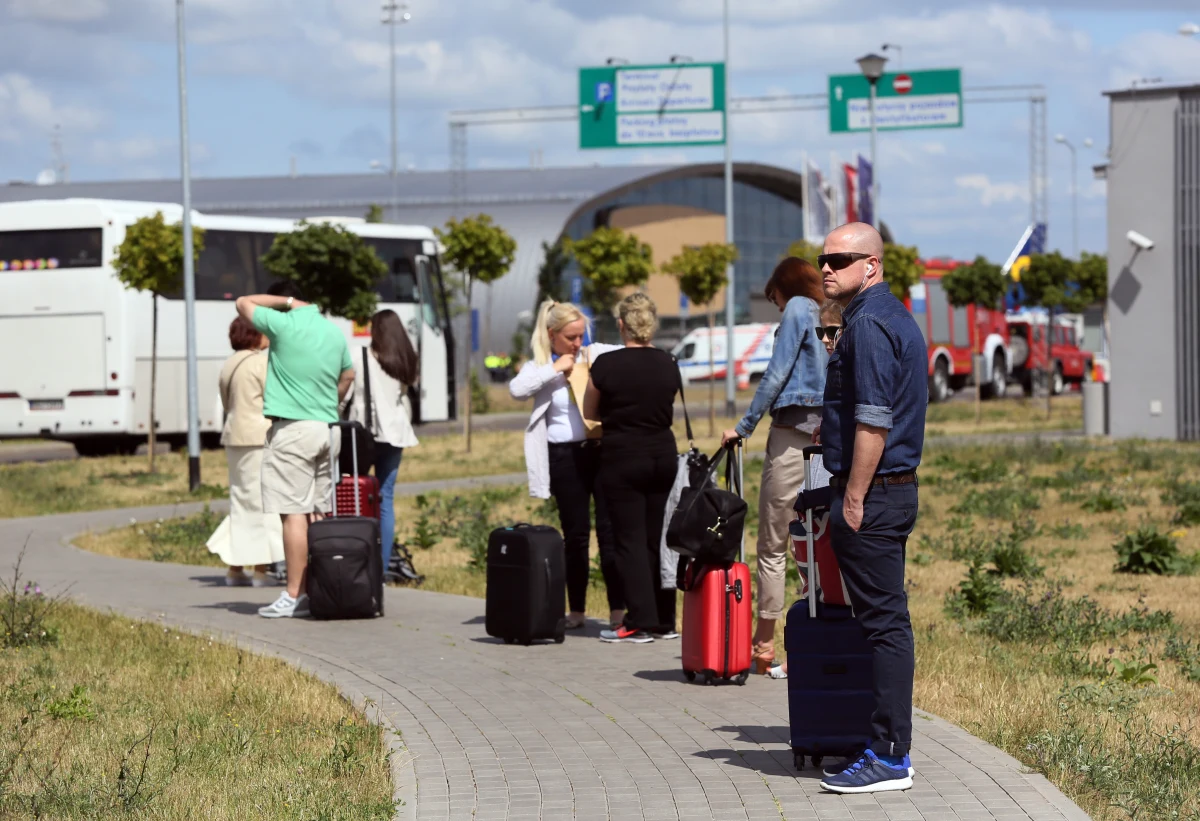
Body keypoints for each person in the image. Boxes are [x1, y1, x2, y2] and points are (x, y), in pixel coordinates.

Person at [816, 223, 927, 795]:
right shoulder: (884, 316)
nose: (827, 268)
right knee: (886, 622)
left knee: (885, 625)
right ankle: (886, 746)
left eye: (840, 259)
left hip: (875, 493)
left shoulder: (869, 324)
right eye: (823, 258)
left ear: (871, 266)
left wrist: (854, 496)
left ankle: (889, 756)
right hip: (888, 490)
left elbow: (874, 419)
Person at [720, 258, 827, 677]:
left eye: (775, 298)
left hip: (791, 439)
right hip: (826, 440)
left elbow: (777, 373)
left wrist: (743, 427)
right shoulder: (831, 314)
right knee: (818, 544)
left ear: (785, 287)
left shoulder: (798, 308)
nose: (778, 306)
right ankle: (813, 637)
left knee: (773, 544)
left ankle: (763, 645)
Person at [235, 281, 355, 619]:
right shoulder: (332, 332)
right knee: (318, 511)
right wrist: (330, 402)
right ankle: (321, 587)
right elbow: (348, 375)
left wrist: (286, 302)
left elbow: (243, 302)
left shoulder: (283, 324)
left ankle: (294, 594)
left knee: (293, 514)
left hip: (293, 432)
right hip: (328, 429)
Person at [509, 300, 624, 629]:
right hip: (564, 458)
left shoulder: (594, 353)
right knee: (575, 536)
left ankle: (618, 610)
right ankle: (576, 611)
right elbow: (517, 389)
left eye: (581, 335)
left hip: (600, 452)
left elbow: (634, 354)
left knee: (609, 533)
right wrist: (555, 369)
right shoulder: (541, 366)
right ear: (552, 335)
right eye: (571, 337)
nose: (577, 343)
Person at [585, 293, 679, 644]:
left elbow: (590, 412)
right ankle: (664, 620)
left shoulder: (606, 364)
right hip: (662, 455)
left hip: (623, 455)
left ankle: (639, 620)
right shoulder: (668, 362)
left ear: (621, 324)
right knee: (658, 538)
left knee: (630, 540)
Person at [206, 316, 284, 586]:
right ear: (255, 335)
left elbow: (227, 402)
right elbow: (274, 398)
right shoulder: (261, 363)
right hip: (258, 437)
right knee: (263, 504)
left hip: (234, 436)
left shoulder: (229, 364)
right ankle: (260, 571)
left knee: (240, 503)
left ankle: (235, 569)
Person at [347, 309, 420, 571]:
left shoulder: (359, 356)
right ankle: (383, 566)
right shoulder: (405, 358)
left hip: (363, 434)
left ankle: (356, 557)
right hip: (395, 433)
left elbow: (348, 393)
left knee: (356, 494)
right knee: (385, 497)